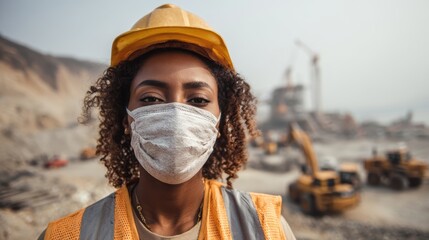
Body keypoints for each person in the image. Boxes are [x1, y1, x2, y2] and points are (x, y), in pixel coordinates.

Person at [39, 4, 295, 240]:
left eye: (197, 100)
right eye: (151, 98)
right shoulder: (67, 235)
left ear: (219, 121)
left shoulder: (266, 228)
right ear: (125, 118)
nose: (176, 114)